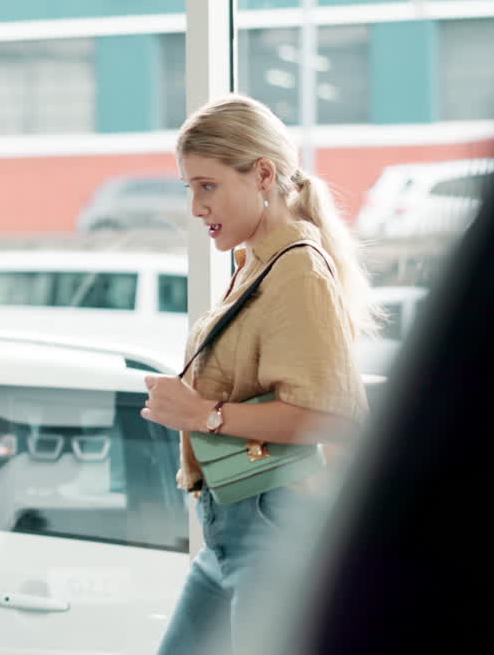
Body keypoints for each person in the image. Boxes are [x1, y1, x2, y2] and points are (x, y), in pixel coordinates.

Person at [140, 94, 378, 654]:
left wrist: (204, 415)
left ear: (263, 174)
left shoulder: (296, 269)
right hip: (234, 526)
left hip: (272, 527)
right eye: (188, 188)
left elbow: (329, 416)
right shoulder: (258, 264)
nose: (196, 207)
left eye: (207, 185)